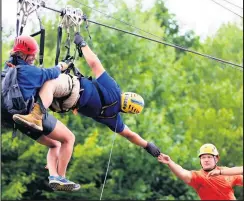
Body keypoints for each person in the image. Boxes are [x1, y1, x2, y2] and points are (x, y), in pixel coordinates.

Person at [13, 32, 161, 158]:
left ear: (127, 95)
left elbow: (95, 64)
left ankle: (34, 114)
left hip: (72, 88)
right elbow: (130, 135)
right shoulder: (113, 118)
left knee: (47, 80)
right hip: (62, 105)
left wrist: (82, 44)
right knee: (40, 93)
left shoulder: (114, 90)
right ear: (128, 111)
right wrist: (148, 146)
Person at [1, 35, 80, 191]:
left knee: (54, 144)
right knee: (69, 138)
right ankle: (62, 177)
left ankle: (53, 176)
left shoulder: (7, 69)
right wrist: (62, 65)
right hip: (30, 116)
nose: (34, 58)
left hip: (16, 120)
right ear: (23, 54)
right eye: (31, 55)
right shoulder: (29, 72)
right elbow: (51, 74)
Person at [157, 143, 243, 200]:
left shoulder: (227, 172)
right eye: (203, 157)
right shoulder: (198, 176)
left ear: (216, 159)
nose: (206, 160)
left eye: (209, 157)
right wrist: (170, 162)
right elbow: (183, 172)